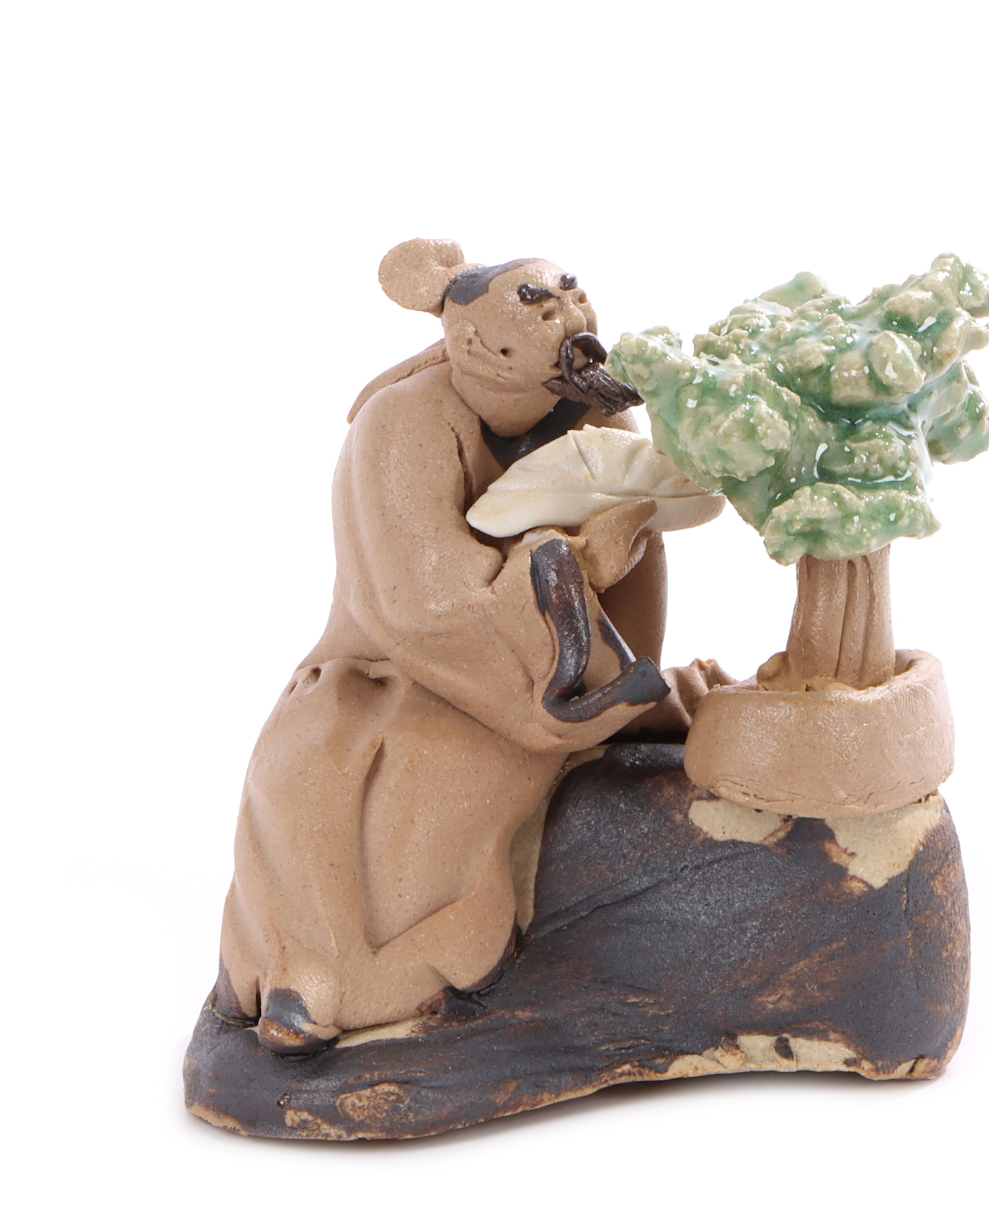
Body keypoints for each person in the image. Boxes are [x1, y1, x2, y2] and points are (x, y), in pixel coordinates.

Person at [212, 239, 724, 1053]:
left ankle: (384, 978)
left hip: (541, 677)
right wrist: (565, 563)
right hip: (397, 660)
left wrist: (613, 634)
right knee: (314, 771)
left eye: (572, 293)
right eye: (539, 306)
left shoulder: (597, 414)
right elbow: (420, 602)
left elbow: (639, 553)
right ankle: (311, 981)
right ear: (475, 341)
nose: (569, 313)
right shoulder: (403, 420)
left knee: (447, 789)